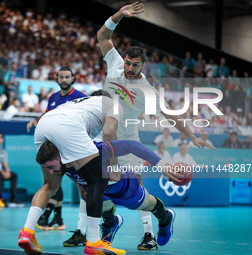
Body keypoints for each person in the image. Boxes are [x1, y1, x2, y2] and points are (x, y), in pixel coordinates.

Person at [95, 2, 215, 250]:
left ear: (143, 65)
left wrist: (192, 136)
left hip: (128, 144)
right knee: (97, 191)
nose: (129, 68)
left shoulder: (147, 90)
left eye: (134, 65)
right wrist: (119, 15)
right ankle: (109, 223)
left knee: (136, 193)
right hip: (104, 137)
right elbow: (102, 36)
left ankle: (150, 233)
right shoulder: (116, 64)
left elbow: (171, 116)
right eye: (127, 62)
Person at [18, 93, 125, 255]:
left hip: (43, 124)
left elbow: (66, 157)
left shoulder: (81, 104)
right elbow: (109, 133)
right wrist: (114, 166)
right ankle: (94, 242)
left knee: (49, 185)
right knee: (98, 180)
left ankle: (27, 232)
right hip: (66, 125)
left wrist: (79, 182)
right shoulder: (115, 104)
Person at [50, 139, 180, 250]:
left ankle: (165, 218)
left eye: (51, 167)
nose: (50, 172)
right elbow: (73, 173)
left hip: (124, 185)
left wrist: (161, 164)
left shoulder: (93, 149)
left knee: (147, 204)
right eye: (47, 168)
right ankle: (110, 224)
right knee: (98, 203)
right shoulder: (62, 164)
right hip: (101, 187)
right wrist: (79, 185)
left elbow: (131, 145)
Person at [27, 66, 86, 232]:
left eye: (67, 77)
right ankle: (57, 218)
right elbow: (46, 114)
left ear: (72, 79)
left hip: (72, 146)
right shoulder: (53, 97)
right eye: (61, 77)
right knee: (52, 182)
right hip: (53, 147)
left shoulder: (80, 97)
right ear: (57, 79)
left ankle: (80, 228)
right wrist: (36, 120)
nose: (64, 80)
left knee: (81, 184)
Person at [0, 132, 24, 207]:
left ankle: (13, 199)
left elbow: (5, 164)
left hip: (0, 171)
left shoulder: (3, 152)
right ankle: (0, 197)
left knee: (14, 175)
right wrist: (2, 172)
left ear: (3, 140)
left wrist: (7, 172)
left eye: (0, 138)